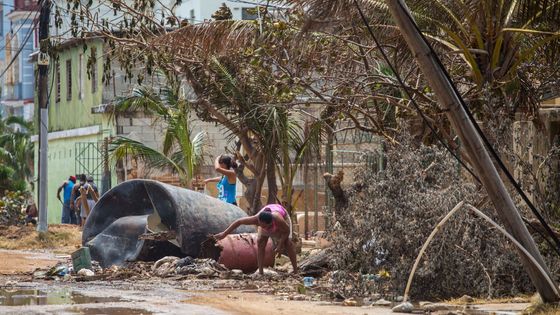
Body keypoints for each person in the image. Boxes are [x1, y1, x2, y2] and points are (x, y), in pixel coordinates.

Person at [214, 204, 298, 275]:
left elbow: (286, 231)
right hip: (266, 220)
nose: (266, 228)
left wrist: (280, 244)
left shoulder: (277, 218)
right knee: (261, 241)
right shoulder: (255, 219)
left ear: (272, 222)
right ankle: (260, 271)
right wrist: (224, 234)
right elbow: (239, 222)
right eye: (263, 226)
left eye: (268, 226)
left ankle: (295, 270)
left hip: (282, 220)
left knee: (288, 243)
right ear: (259, 222)